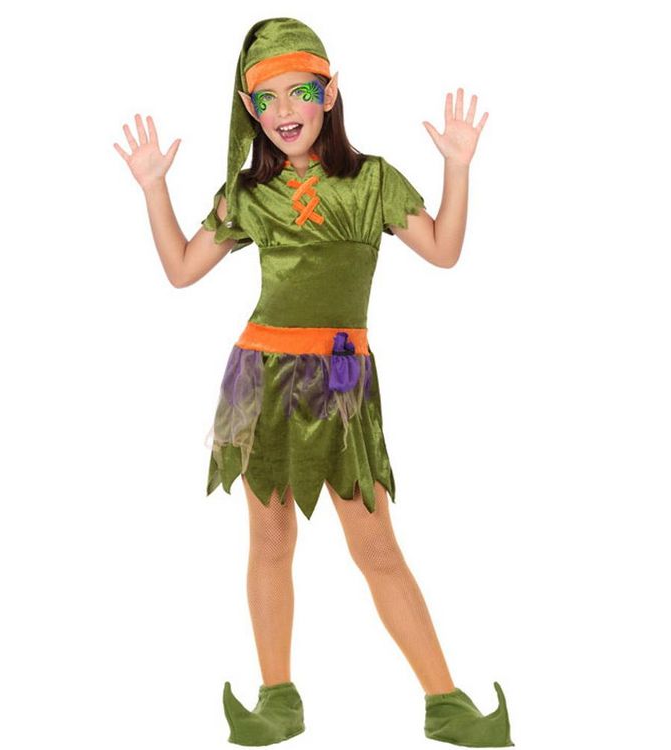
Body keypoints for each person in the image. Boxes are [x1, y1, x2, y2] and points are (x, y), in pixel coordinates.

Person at [114, 16, 513, 748]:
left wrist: (458, 167)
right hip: (259, 378)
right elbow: (181, 269)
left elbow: (443, 250)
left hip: (340, 379)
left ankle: (446, 703)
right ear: (249, 109)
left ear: (329, 94)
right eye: (266, 100)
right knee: (270, 541)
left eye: (299, 91)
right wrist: (153, 188)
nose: (284, 111)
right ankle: (279, 698)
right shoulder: (248, 195)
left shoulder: (372, 182)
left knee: (376, 546)